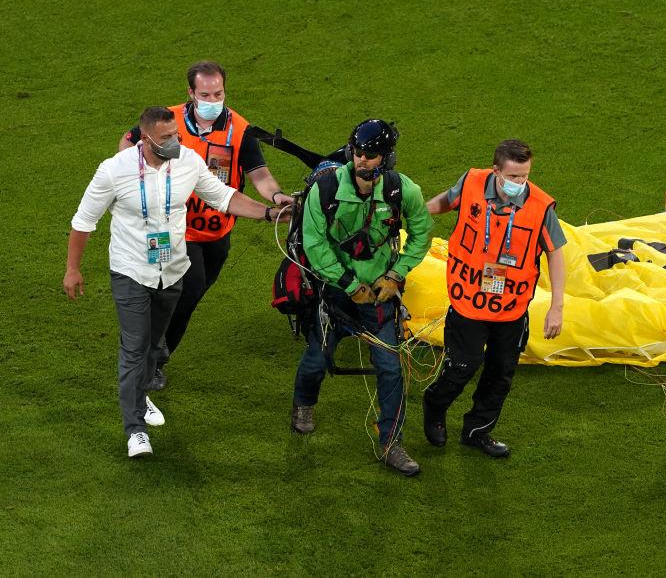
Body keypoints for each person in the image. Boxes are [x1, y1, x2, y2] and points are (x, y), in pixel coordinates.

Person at [65, 106, 290, 458]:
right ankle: (135, 429)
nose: (175, 142)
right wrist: (73, 269)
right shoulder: (114, 171)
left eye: (177, 135)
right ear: (146, 138)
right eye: (167, 138)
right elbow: (83, 222)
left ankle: (141, 395)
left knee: (153, 346)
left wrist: (268, 212)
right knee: (135, 347)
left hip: (172, 270)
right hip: (131, 271)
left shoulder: (187, 162)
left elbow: (224, 196)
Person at [118, 61, 293, 390]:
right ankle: (149, 354)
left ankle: (153, 356)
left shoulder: (239, 130)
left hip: (216, 231)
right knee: (189, 284)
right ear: (190, 93)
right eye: (205, 94)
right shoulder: (166, 123)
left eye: (219, 93)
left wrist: (278, 196)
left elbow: (260, 175)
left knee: (190, 295)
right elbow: (128, 142)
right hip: (170, 228)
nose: (213, 99)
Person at [291, 119, 433, 477]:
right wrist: (349, 284)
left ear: (386, 158)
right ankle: (303, 404)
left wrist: (395, 275)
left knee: (390, 368)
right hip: (337, 295)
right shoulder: (323, 190)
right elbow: (314, 243)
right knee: (316, 358)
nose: (361, 160)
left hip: (381, 298)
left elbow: (421, 235)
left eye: (370, 154)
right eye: (357, 152)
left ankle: (391, 443)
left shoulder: (404, 191)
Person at [422, 139, 566, 458]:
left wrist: (557, 306)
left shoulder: (539, 207)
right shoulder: (473, 182)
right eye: (514, 177)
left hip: (511, 310)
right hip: (468, 302)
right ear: (496, 171)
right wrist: (421, 212)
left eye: (525, 176)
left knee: (500, 374)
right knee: (463, 365)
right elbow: (449, 200)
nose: (521, 184)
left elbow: (556, 253)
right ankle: (435, 405)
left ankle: (477, 431)